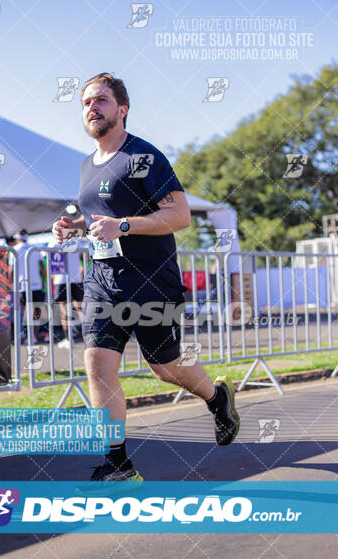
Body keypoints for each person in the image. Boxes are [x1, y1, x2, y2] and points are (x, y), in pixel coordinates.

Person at [52, 73, 240, 483]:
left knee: (165, 366)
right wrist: (76, 227)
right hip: (103, 279)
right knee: (97, 362)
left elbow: (179, 216)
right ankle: (118, 463)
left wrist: (122, 227)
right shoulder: (87, 164)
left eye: (100, 100)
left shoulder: (145, 157)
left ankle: (216, 395)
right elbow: (103, 215)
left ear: (122, 109)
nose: (91, 108)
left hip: (151, 279)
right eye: (85, 102)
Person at [44, 239, 84, 348]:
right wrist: (82, 269)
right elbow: (86, 257)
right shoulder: (76, 241)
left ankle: (69, 339)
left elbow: (52, 265)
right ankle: (88, 337)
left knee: (66, 310)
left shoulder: (53, 243)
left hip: (61, 279)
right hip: (75, 278)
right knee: (80, 309)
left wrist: (51, 280)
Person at [9, 230, 46, 344]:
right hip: (37, 285)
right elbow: (42, 269)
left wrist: (11, 284)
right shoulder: (34, 248)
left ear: (17, 237)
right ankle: (34, 335)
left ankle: (30, 336)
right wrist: (43, 282)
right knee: (37, 312)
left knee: (27, 312)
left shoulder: (14, 249)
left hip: (23, 286)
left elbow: (11, 270)